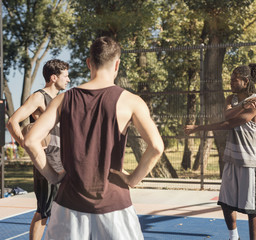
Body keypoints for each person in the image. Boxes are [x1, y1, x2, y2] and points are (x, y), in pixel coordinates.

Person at [24, 36, 164, 240]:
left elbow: (30, 140)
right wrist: (132, 180)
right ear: (117, 64)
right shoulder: (131, 101)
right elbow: (156, 147)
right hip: (114, 205)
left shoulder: (63, 99)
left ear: (89, 63)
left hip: (68, 207)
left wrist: (52, 176)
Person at [185, 64, 256, 240]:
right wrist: (239, 106)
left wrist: (199, 127)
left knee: (252, 208)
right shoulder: (233, 99)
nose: (231, 82)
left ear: (245, 81)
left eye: (235, 79)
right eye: (230, 78)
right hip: (231, 158)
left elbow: (229, 122)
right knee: (226, 203)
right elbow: (227, 115)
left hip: (249, 161)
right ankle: (233, 237)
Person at [6, 59, 70, 240]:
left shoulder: (60, 98)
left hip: (61, 158)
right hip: (48, 158)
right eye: (65, 76)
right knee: (45, 210)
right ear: (53, 77)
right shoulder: (39, 97)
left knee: (60, 207)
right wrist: (26, 144)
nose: (69, 79)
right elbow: (12, 122)